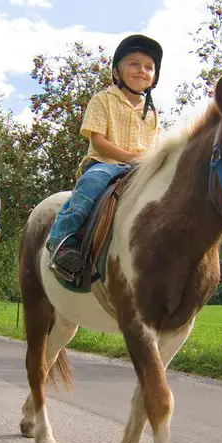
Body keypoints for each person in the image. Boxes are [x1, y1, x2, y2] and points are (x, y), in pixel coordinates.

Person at [45, 34, 162, 281]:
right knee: (90, 186)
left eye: (149, 67)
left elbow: (154, 147)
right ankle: (62, 241)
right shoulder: (103, 99)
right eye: (134, 63)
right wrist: (130, 157)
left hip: (141, 169)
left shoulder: (151, 112)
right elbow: (98, 140)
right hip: (106, 164)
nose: (142, 70)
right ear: (117, 72)